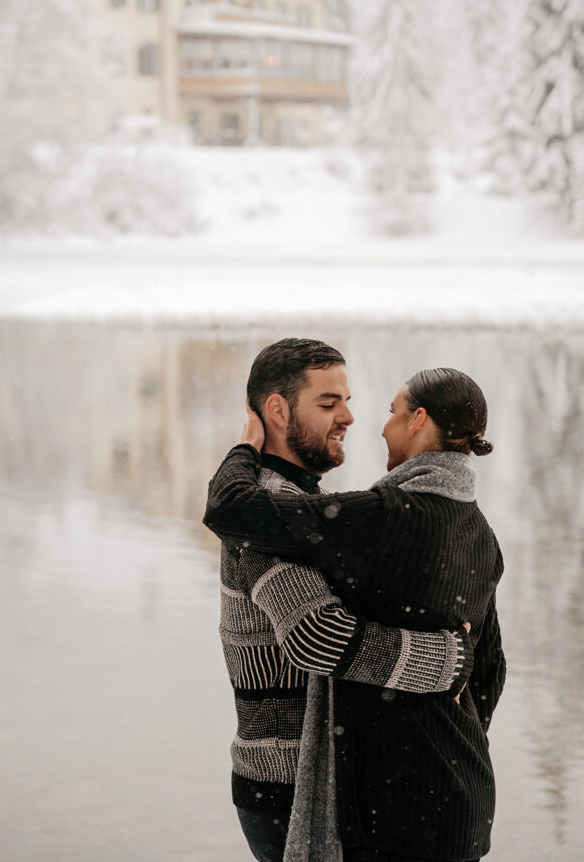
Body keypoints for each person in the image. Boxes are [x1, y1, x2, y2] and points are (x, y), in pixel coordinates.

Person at [205, 364, 506, 862]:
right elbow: (488, 670)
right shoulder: (481, 534)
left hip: (392, 807)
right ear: (278, 409)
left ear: (418, 421)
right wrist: (450, 738)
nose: (353, 419)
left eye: (390, 412)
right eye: (330, 403)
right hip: (461, 794)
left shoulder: (377, 516)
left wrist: (242, 448)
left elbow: (229, 509)